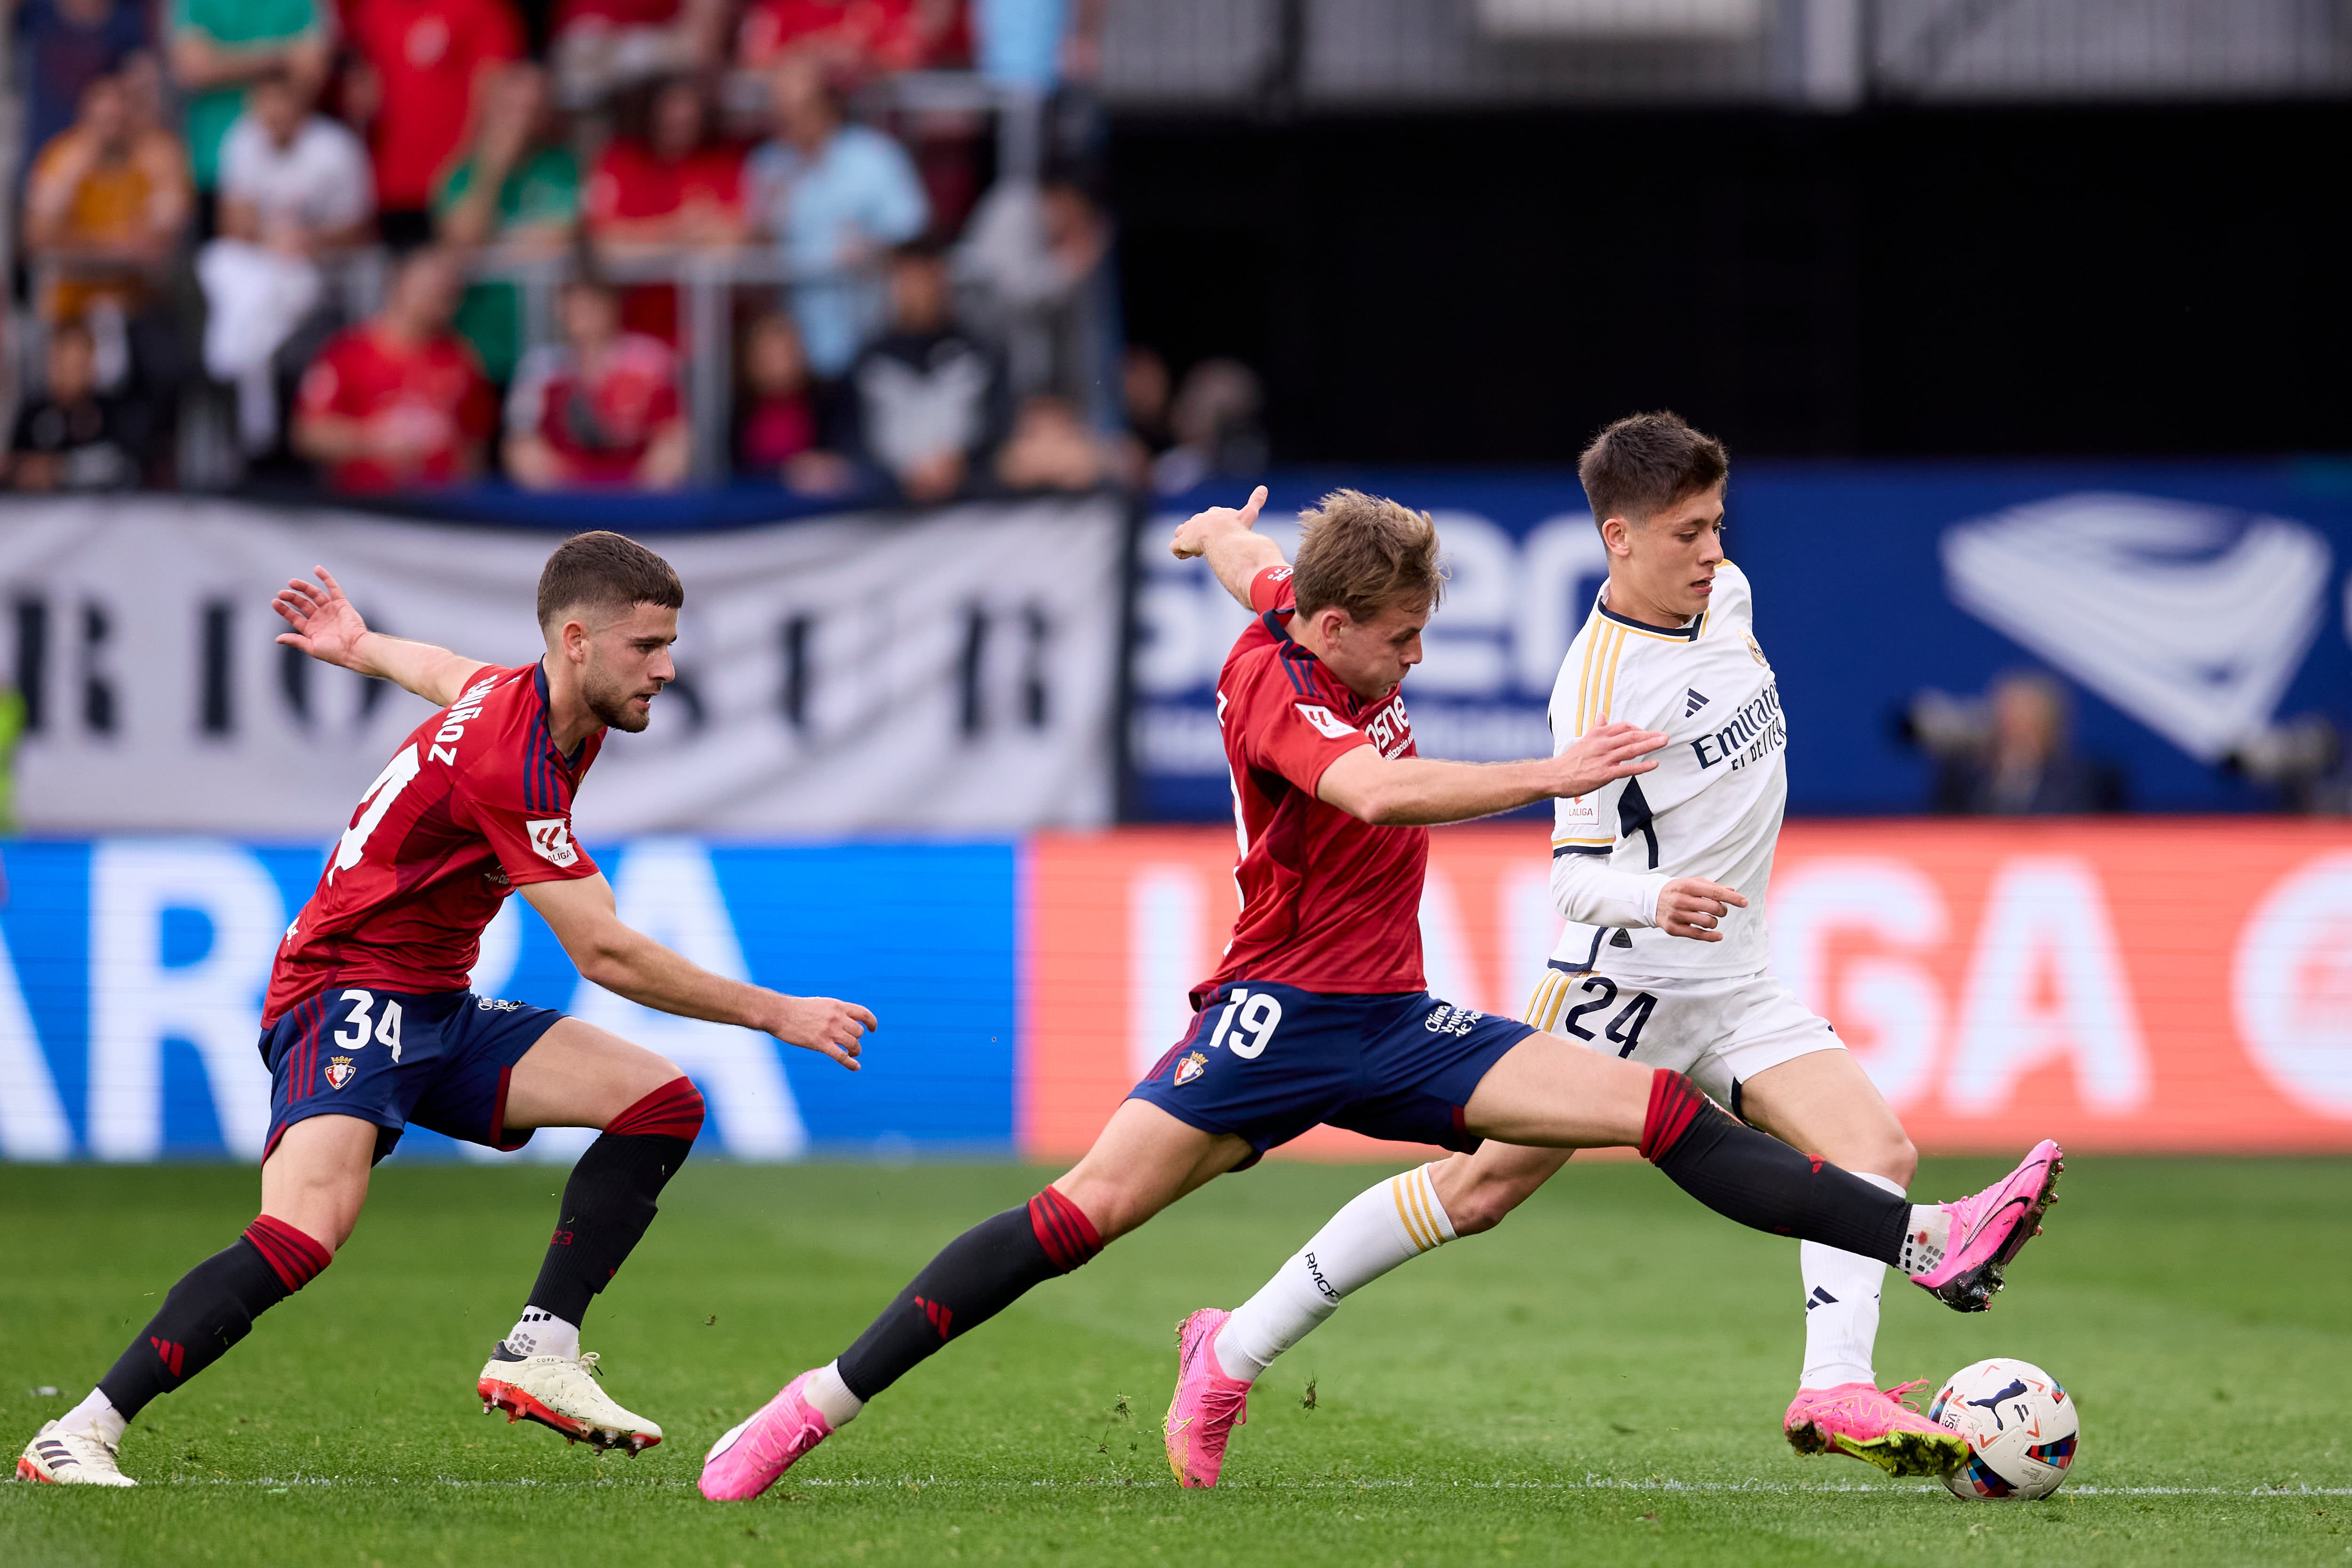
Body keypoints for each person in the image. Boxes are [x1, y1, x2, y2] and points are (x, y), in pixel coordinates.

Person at [695, 484, 2064, 1503]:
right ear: (1334, 624)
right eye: (1401, 643)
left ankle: (1924, 1237)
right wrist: (1552, 774)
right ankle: (809, 1405)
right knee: (1072, 1216)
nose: (1413, 663)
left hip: (1397, 1024)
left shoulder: (1301, 605)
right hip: (1269, 1027)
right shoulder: (1275, 692)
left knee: (1650, 1109)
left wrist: (1205, 534)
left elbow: (1244, 560)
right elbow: (1376, 788)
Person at [1160, 412, 2036, 1491]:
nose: (1711, 552)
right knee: (1477, 1192)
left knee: (1877, 1152)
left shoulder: (1731, 597)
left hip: (1733, 979)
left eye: (1716, 526)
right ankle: (1231, 1349)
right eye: (1685, 534)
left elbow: (1262, 574)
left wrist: (1213, 537)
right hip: (1617, 985)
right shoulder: (1597, 680)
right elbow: (1572, 879)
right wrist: (1657, 895)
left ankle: (1834, 1385)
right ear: (1617, 538)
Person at [15, 536, 882, 1489]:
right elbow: (604, 951)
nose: (667, 669)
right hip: (343, 989)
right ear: (580, 641)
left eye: (670, 644)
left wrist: (359, 643)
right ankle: (80, 1429)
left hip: (433, 996)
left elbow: (446, 671)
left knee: (659, 1101)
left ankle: (540, 1349)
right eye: (648, 647)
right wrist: (774, 1012)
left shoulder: (545, 699)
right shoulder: (515, 759)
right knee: (303, 1232)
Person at [198, 66, 375, 452]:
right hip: (265, 261)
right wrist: (271, 239)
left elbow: (359, 229)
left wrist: (310, 240)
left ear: (302, 107)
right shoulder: (242, 141)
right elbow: (232, 222)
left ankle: (244, 363)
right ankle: (240, 360)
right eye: (266, 107)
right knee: (220, 264)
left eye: (283, 106)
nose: (274, 117)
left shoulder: (335, 149)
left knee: (277, 305)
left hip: (322, 271)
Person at [745, 54, 928, 380]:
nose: (786, 119)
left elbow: (915, 235)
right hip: (792, 353)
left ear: (826, 105)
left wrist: (872, 248)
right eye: (779, 109)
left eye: (797, 108)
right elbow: (756, 249)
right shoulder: (767, 166)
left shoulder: (876, 157)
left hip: (869, 335)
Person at [291, 246, 497, 491]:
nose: (442, 297)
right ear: (399, 283)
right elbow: (309, 434)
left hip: (443, 507)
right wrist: (375, 440)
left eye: (451, 292)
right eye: (432, 286)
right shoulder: (347, 353)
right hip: (370, 506)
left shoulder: (462, 360)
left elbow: (474, 441)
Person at [434, 62, 582, 384]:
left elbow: (561, 237)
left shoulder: (561, 166)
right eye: (512, 108)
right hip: (478, 339)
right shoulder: (463, 172)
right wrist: (493, 170)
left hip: (547, 339)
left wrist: (495, 244)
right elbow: (462, 239)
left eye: (532, 109)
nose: (521, 120)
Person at [583, 74, 749, 342]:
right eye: (671, 112)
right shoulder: (621, 160)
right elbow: (605, 244)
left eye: (689, 113)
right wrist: (681, 230)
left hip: (710, 335)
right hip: (634, 334)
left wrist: (642, 242)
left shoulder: (723, 162)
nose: (680, 121)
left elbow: (735, 238)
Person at [342, 0, 523, 246]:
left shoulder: (477, 9)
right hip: (386, 189)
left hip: (449, 188)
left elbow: (495, 96)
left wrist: (472, 173)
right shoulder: (373, 10)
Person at [840, 239, 1006, 502]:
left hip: (971, 506)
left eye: (924, 277)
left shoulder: (980, 352)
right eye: (906, 278)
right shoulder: (868, 359)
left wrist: (961, 463)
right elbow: (851, 440)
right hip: (887, 511)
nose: (916, 290)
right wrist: (900, 473)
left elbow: (1000, 427)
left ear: (942, 280)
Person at [22, 71, 192, 327]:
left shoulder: (158, 156)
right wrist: (114, 247)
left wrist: (79, 242)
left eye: (118, 120)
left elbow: (160, 241)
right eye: (102, 121)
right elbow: (38, 237)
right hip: (73, 304)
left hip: (140, 305)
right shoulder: (63, 160)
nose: (111, 132)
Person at [504, 276, 688, 490]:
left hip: (636, 495)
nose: (582, 309)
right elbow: (521, 443)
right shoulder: (539, 368)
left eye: (592, 300)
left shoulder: (651, 361)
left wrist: (638, 496)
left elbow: (672, 438)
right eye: (573, 299)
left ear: (613, 304)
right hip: (563, 493)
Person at [165, 0, 330, 199]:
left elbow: (312, 70)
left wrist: (220, 61)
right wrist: (279, 58)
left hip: (293, 163)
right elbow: (192, 68)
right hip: (213, 160)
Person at [1925, 671, 2125, 815]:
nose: (2010, 721)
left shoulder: (2084, 781)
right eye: (2005, 710)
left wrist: (2023, 769)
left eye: (2023, 712)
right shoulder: (1965, 777)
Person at [12, 0, 153, 184]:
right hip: (41, 156)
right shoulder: (39, 9)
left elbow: (141, 89)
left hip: (103, 169)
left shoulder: (126, 19)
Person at [7, 320, 143, 490]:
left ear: (91, 365)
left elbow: (125, 464)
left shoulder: (110, 411)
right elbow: (13, 463)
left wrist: (60, 470)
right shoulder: (34, 412)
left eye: (78, 365)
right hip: (38, 511)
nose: (70, 375)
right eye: (64, 365)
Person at [733, 309, 855, 491]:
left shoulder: (829, 401)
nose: (779, 363)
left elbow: (848, 460)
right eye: (769, 355)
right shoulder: (739, 411)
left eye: (785, 352)